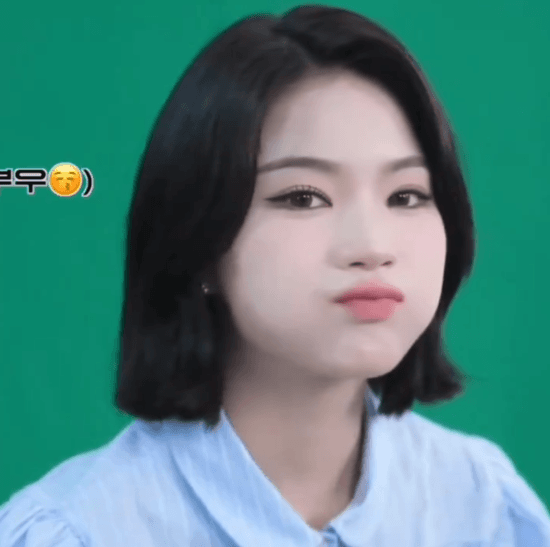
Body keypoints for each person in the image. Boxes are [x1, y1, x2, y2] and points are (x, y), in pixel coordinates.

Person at [1, 4, 549, 547]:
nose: (372, 247)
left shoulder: (483, 505)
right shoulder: (79, 531)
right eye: (303, 197)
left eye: (406, 195)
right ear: (200, 240)